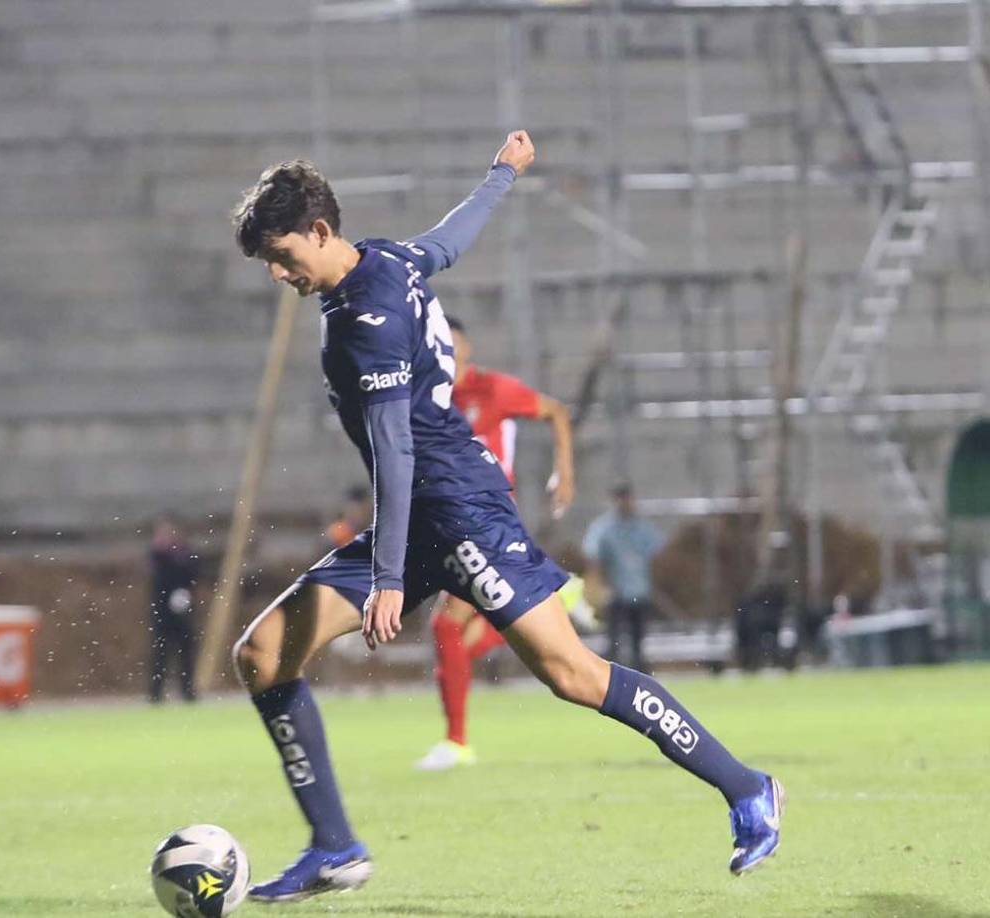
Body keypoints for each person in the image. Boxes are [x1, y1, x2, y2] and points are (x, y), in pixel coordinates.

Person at [228, 130, 783, 905]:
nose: (280, 275)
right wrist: (501, 175)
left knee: (574, 675)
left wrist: (388, 580)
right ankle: (333, 846)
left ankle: (749, 788)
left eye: (284, 255)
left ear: (321, 231)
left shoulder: (368, 322)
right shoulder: (387, 259)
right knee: (261, 657)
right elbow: (450, 242)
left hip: (459, 513)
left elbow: (395, 451)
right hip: (418, 515)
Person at [416, 313, 576, 771]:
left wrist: (563, 471)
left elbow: (555, 411)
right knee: (458, 634)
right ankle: (554, 597)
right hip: (448, 519)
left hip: (487, 520)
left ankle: (456, 741)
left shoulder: (492, 390)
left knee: (448, 627)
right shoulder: (429, 396)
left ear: (464, 347)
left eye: (453, 342)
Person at [583, 483, 666, 674]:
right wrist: (599, 585)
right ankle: (610, 679)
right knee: (614, 641)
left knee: (638, 641)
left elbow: (657, 554)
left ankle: (641, 677)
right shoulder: (604, 528)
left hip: (639, 591)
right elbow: (593, 557)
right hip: (615, 593)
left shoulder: (642, 527)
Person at [148, 514, 200, 704]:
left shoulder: (184, 554)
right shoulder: (158, 555)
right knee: (161, 654)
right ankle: (156, 693)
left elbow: (192, 572)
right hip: (162, 614)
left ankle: (187, 690)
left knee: (185, 652)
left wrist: (183, 594)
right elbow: (160, 576)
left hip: (183, 614)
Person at [326, 485, 370, 550]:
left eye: (363, 510)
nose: (358, 514)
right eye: (353, 510)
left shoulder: (374, 529)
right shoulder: (338, 532)